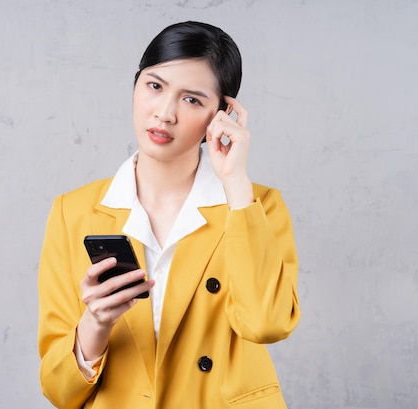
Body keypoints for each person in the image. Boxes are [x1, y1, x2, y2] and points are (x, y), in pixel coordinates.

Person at [37, 21, 301, 409]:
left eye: (191, 99)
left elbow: (266, 324)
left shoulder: (256, 205)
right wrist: (96, 322)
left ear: (222, 114)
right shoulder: (72, 212)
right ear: (136, 84)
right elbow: (59, 391)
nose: (164, 113)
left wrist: (235, 182)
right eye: (155, 86)